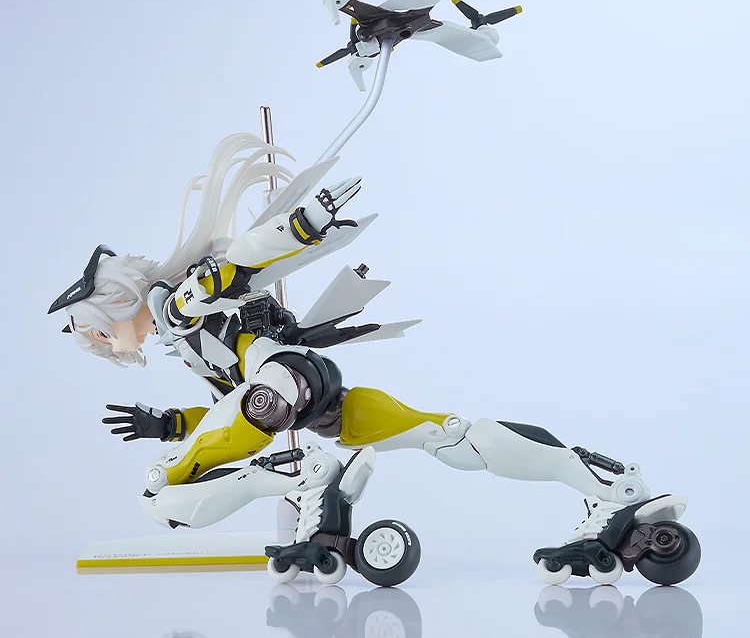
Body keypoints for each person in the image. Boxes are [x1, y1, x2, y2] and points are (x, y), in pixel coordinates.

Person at [48, 132, 697, 586]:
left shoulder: (174, 306)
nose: (105, 346)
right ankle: (611, 487)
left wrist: (299, 227)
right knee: (452, 437)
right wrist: (170, 424)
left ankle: (308, 481)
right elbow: (228, 412)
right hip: (316, 398)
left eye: (96, 334)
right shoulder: (189, 342)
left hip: (280, 386)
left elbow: (236, 266)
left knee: (160, 490)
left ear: (113, 305)